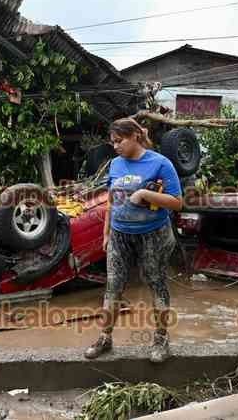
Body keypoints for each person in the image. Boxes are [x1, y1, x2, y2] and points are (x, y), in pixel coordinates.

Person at [84, 118, 183, 363]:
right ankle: (105, 338)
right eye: (113, 142)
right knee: (113, 286)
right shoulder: (115, 164)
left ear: (135, 137)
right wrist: (106, 233)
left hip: (153, 235)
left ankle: (161, 339)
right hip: (120, 235)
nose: (115, 146)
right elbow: (111, 200)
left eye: (119, 141)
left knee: (156, 284)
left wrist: (144, 193)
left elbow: (177, 202)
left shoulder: (161, 163)